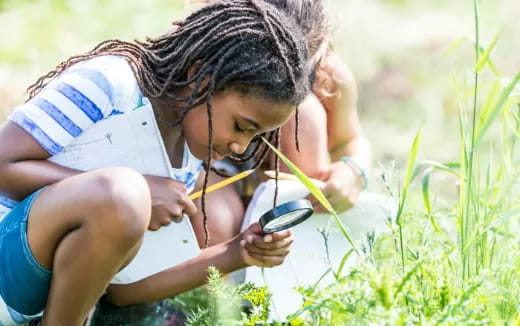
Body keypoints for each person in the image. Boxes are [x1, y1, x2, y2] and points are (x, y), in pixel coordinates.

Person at [0, 1, 313, 325]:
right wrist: (137, 192)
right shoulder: (112, 83)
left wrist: (238, 253)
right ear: (199, 77)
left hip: (29, 302)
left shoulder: (188, 157)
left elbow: (123, 290)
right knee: (122, 193)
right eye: (240, 126)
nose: (239, 146)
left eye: (255, 136)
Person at [187, 0, 372, 248]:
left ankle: (298, 248)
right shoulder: (203, 54)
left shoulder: (328, 76)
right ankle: (220, 275)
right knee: (217, 220)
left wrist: (353, 172)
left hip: (284, 179)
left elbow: (350, 140)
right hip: (211, 169)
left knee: (304, 115)